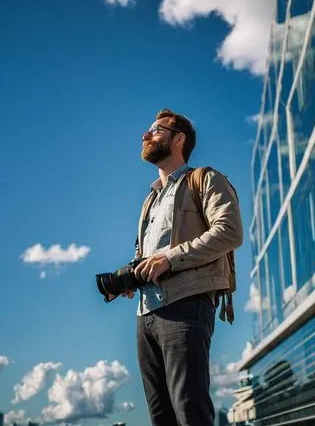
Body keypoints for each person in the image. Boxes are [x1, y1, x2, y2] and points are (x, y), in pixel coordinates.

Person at [123, 108, 243, 426]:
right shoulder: (150, 199)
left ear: (179, 139)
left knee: (189, 411)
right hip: (145, 314)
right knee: (161, 416)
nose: (146, 134)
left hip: (186, 305)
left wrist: (170, 258)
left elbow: (230, 231)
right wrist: (130, 277)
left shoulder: (205, 179)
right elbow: (149, 254)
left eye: (156, 129)